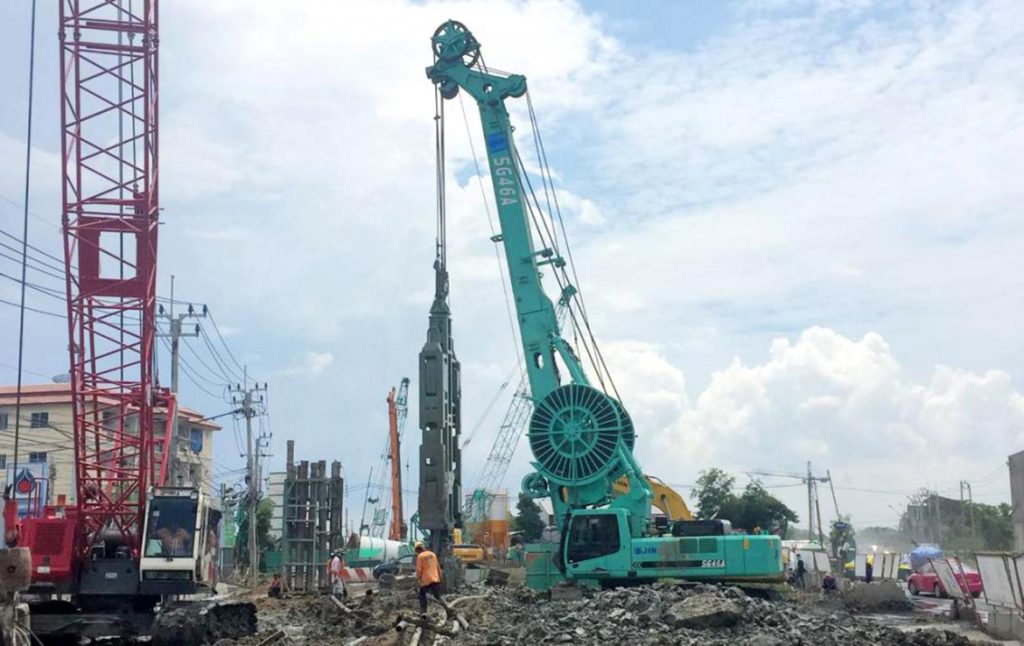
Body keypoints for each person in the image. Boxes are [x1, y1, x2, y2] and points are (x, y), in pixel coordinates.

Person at [414, 541, 452, 620]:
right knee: (438, 596)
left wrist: (418, 579)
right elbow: (438, 568)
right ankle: (448, 608)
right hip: (435, 579)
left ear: (417, 550)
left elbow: (419, 570)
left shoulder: (420, 557)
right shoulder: (433, 554)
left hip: (426, 581)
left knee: (422, 595)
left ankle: (423, 612)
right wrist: (440, 578)